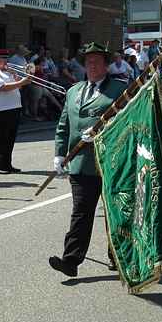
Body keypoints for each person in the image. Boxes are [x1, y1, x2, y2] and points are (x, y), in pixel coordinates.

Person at [48, 42, 128, 277]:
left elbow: (129, 122)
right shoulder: (74, 91)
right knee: (81, 212)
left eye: (96, 61)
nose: (91, 65)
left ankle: (119, 257)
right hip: (80, 164)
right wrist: (59, 154)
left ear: (106, 64)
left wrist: (103, 133)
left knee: (116, 213)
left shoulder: (120, 89)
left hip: (111, 162)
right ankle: (70, 261)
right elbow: (63, 125)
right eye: (88, 61)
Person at [0, 49, 31, 174]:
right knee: (2, 138)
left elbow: (17, 87)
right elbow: (2, 88)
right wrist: (21, 82)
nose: (5, 61)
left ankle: (7, 164)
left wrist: (18, 79)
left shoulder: (6, 72)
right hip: (1, 109)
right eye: (2, 59)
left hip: (13, 107)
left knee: (10, 138)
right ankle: (0, 165)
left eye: (6, 58)